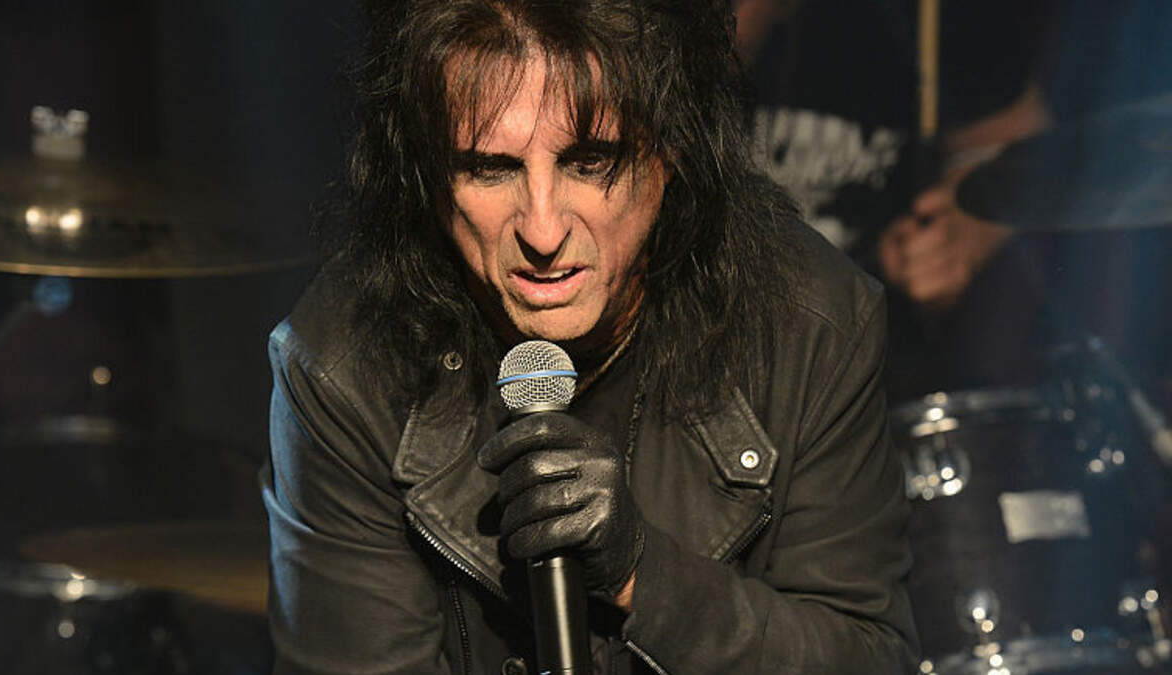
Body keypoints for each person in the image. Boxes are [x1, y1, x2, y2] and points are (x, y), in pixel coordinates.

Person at [261, 1, 917, 672]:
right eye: (490, 168)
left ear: (671, 147)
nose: (543, 232)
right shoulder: (345, 366)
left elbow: (868, 658)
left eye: (589, 161)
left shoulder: (809, 321)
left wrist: (644, 574)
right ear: (427, 177)